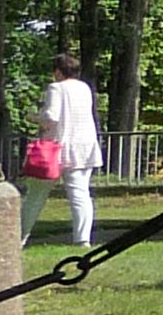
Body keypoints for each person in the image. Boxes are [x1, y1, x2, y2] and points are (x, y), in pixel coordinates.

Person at [25, 52, 105, 245]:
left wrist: (33, 117)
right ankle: (82, 240)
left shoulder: (56, 88)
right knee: (80, 194)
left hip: (56, 148)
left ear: (59, 72)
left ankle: (19, 237)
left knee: (35, 195)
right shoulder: (84, 88)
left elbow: (51, 116)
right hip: (84, 146)